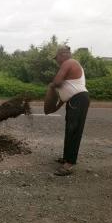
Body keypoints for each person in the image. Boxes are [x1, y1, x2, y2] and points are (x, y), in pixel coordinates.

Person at [44, 45, 90, 175]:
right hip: (74, 100)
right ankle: (66, 158)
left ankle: (69, 164)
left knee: (74, 130)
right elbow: (65, 95)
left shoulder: (69, 62)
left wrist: (51, 86)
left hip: (79, 100)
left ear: (62, 55)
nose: (56, 61)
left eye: (56, 58)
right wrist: (54, 108)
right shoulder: (71, 65)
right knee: (70, 130)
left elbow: (57, 82)